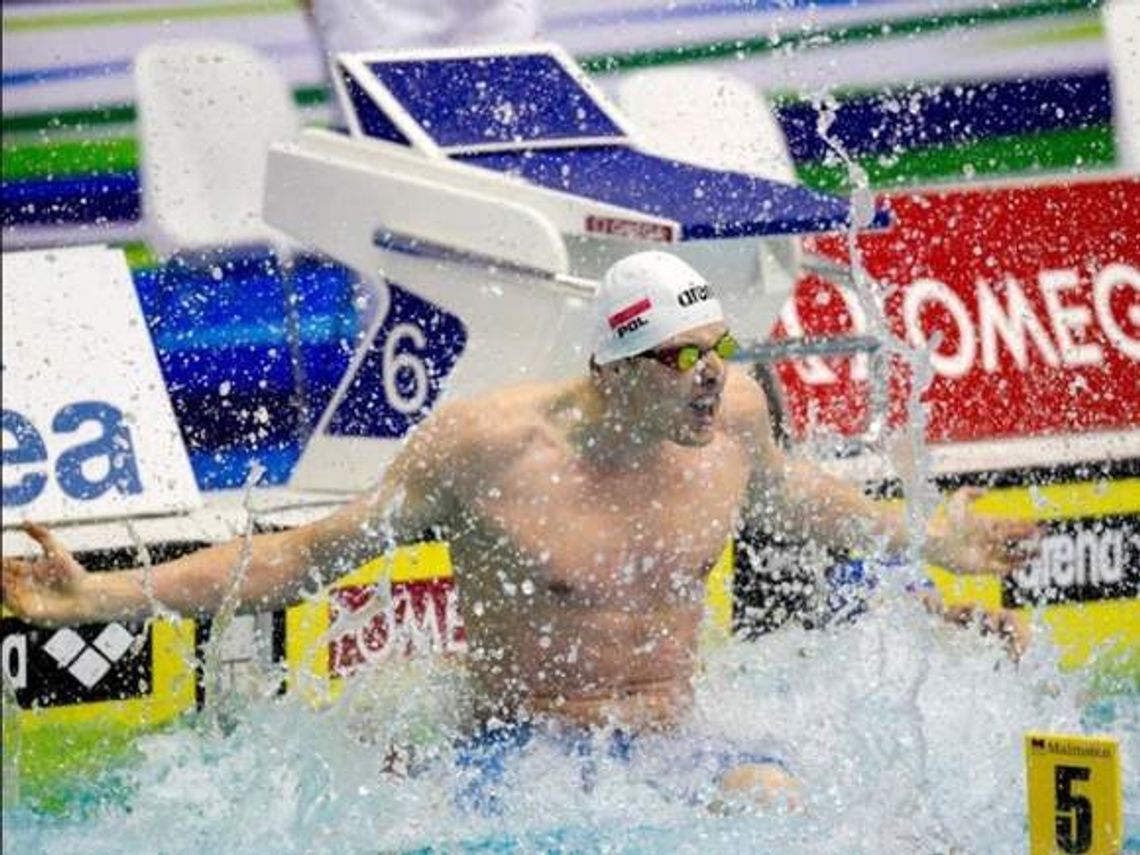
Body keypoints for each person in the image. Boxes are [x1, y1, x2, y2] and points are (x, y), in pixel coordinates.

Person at [2, 251, 1037, 811]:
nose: (714, 375)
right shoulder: (490, 453)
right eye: (683, 358)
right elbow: (307, 557)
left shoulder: (730, 421)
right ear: (614, 372)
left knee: (829, 808)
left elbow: (791, 500)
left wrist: (926, 545)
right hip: (520, 759)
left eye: (719, 346)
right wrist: (98, 597)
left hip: (678, 740)